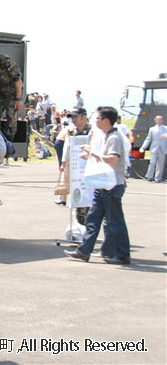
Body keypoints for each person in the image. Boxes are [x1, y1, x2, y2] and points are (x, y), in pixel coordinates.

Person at [65, 106, 130, 265]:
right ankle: (84, 251)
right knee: (94, 219)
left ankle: (122, 254)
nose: (96, 122)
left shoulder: (114, 137)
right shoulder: (108, 136)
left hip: (112, 185)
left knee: (115, 221)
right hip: (104, 184)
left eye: (98, 119)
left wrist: (92, 153)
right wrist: (90, 156)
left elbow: (113, 159)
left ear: (107, 121)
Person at [55, 107, 91, 207]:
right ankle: (64, 198)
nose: (73, 119)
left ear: (84, 117)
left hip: (87, 161)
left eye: (76, 117)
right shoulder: (71, 131)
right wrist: (64, 162)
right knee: (66, 176)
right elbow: (67, 145)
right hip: (73, 159)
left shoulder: (91, 130)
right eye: (72, 117)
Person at [140, 115, 167, 182]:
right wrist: (143, 147)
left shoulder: (165, 128)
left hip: (163, 148)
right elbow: (148, 139)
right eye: (158, 120)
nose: (160, 121)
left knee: (160, 164)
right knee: (153, 162)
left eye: (161, 120)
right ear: (155, 120)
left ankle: (158, 178)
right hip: (154, 147)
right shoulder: (152, 129)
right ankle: (149, 176)